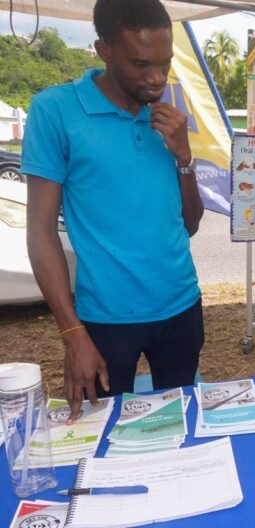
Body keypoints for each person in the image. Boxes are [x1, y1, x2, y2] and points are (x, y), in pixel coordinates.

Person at [22, 0, 205, 423]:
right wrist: (73, 334)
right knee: (100, 430)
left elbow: (190, 224)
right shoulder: (56, 110)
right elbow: (40, 232)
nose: (156, 78)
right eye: (141, 64)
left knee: (178, 425)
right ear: (103, 50)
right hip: (104, 321)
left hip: (182, 307)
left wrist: (184, 157)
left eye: (165, 63)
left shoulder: (167, 118)